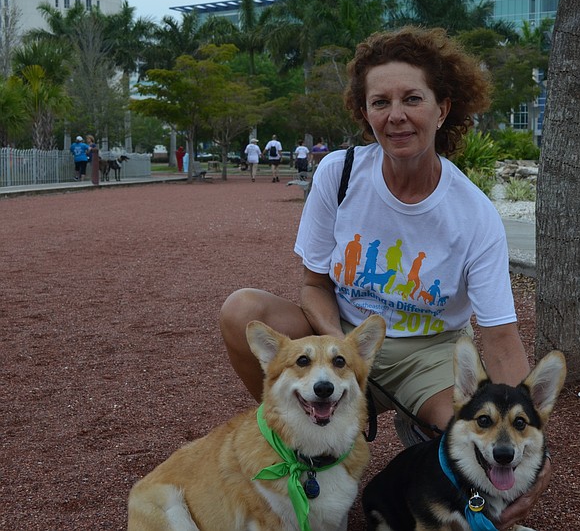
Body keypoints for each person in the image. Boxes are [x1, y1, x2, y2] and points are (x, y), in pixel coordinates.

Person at [219, 27, 548, 529]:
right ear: (364, 111)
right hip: (343, 335)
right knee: (242, 310)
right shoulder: (340, 173)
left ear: (442, 109)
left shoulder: (473, 215)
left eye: (412, 98)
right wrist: (341, 349)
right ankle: (305, 446)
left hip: (428, 351)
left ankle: (468, 497)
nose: (396, 115)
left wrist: (528, 441)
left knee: (469, 439)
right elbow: (313, 285)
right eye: (380, 101)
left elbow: (500, 336)